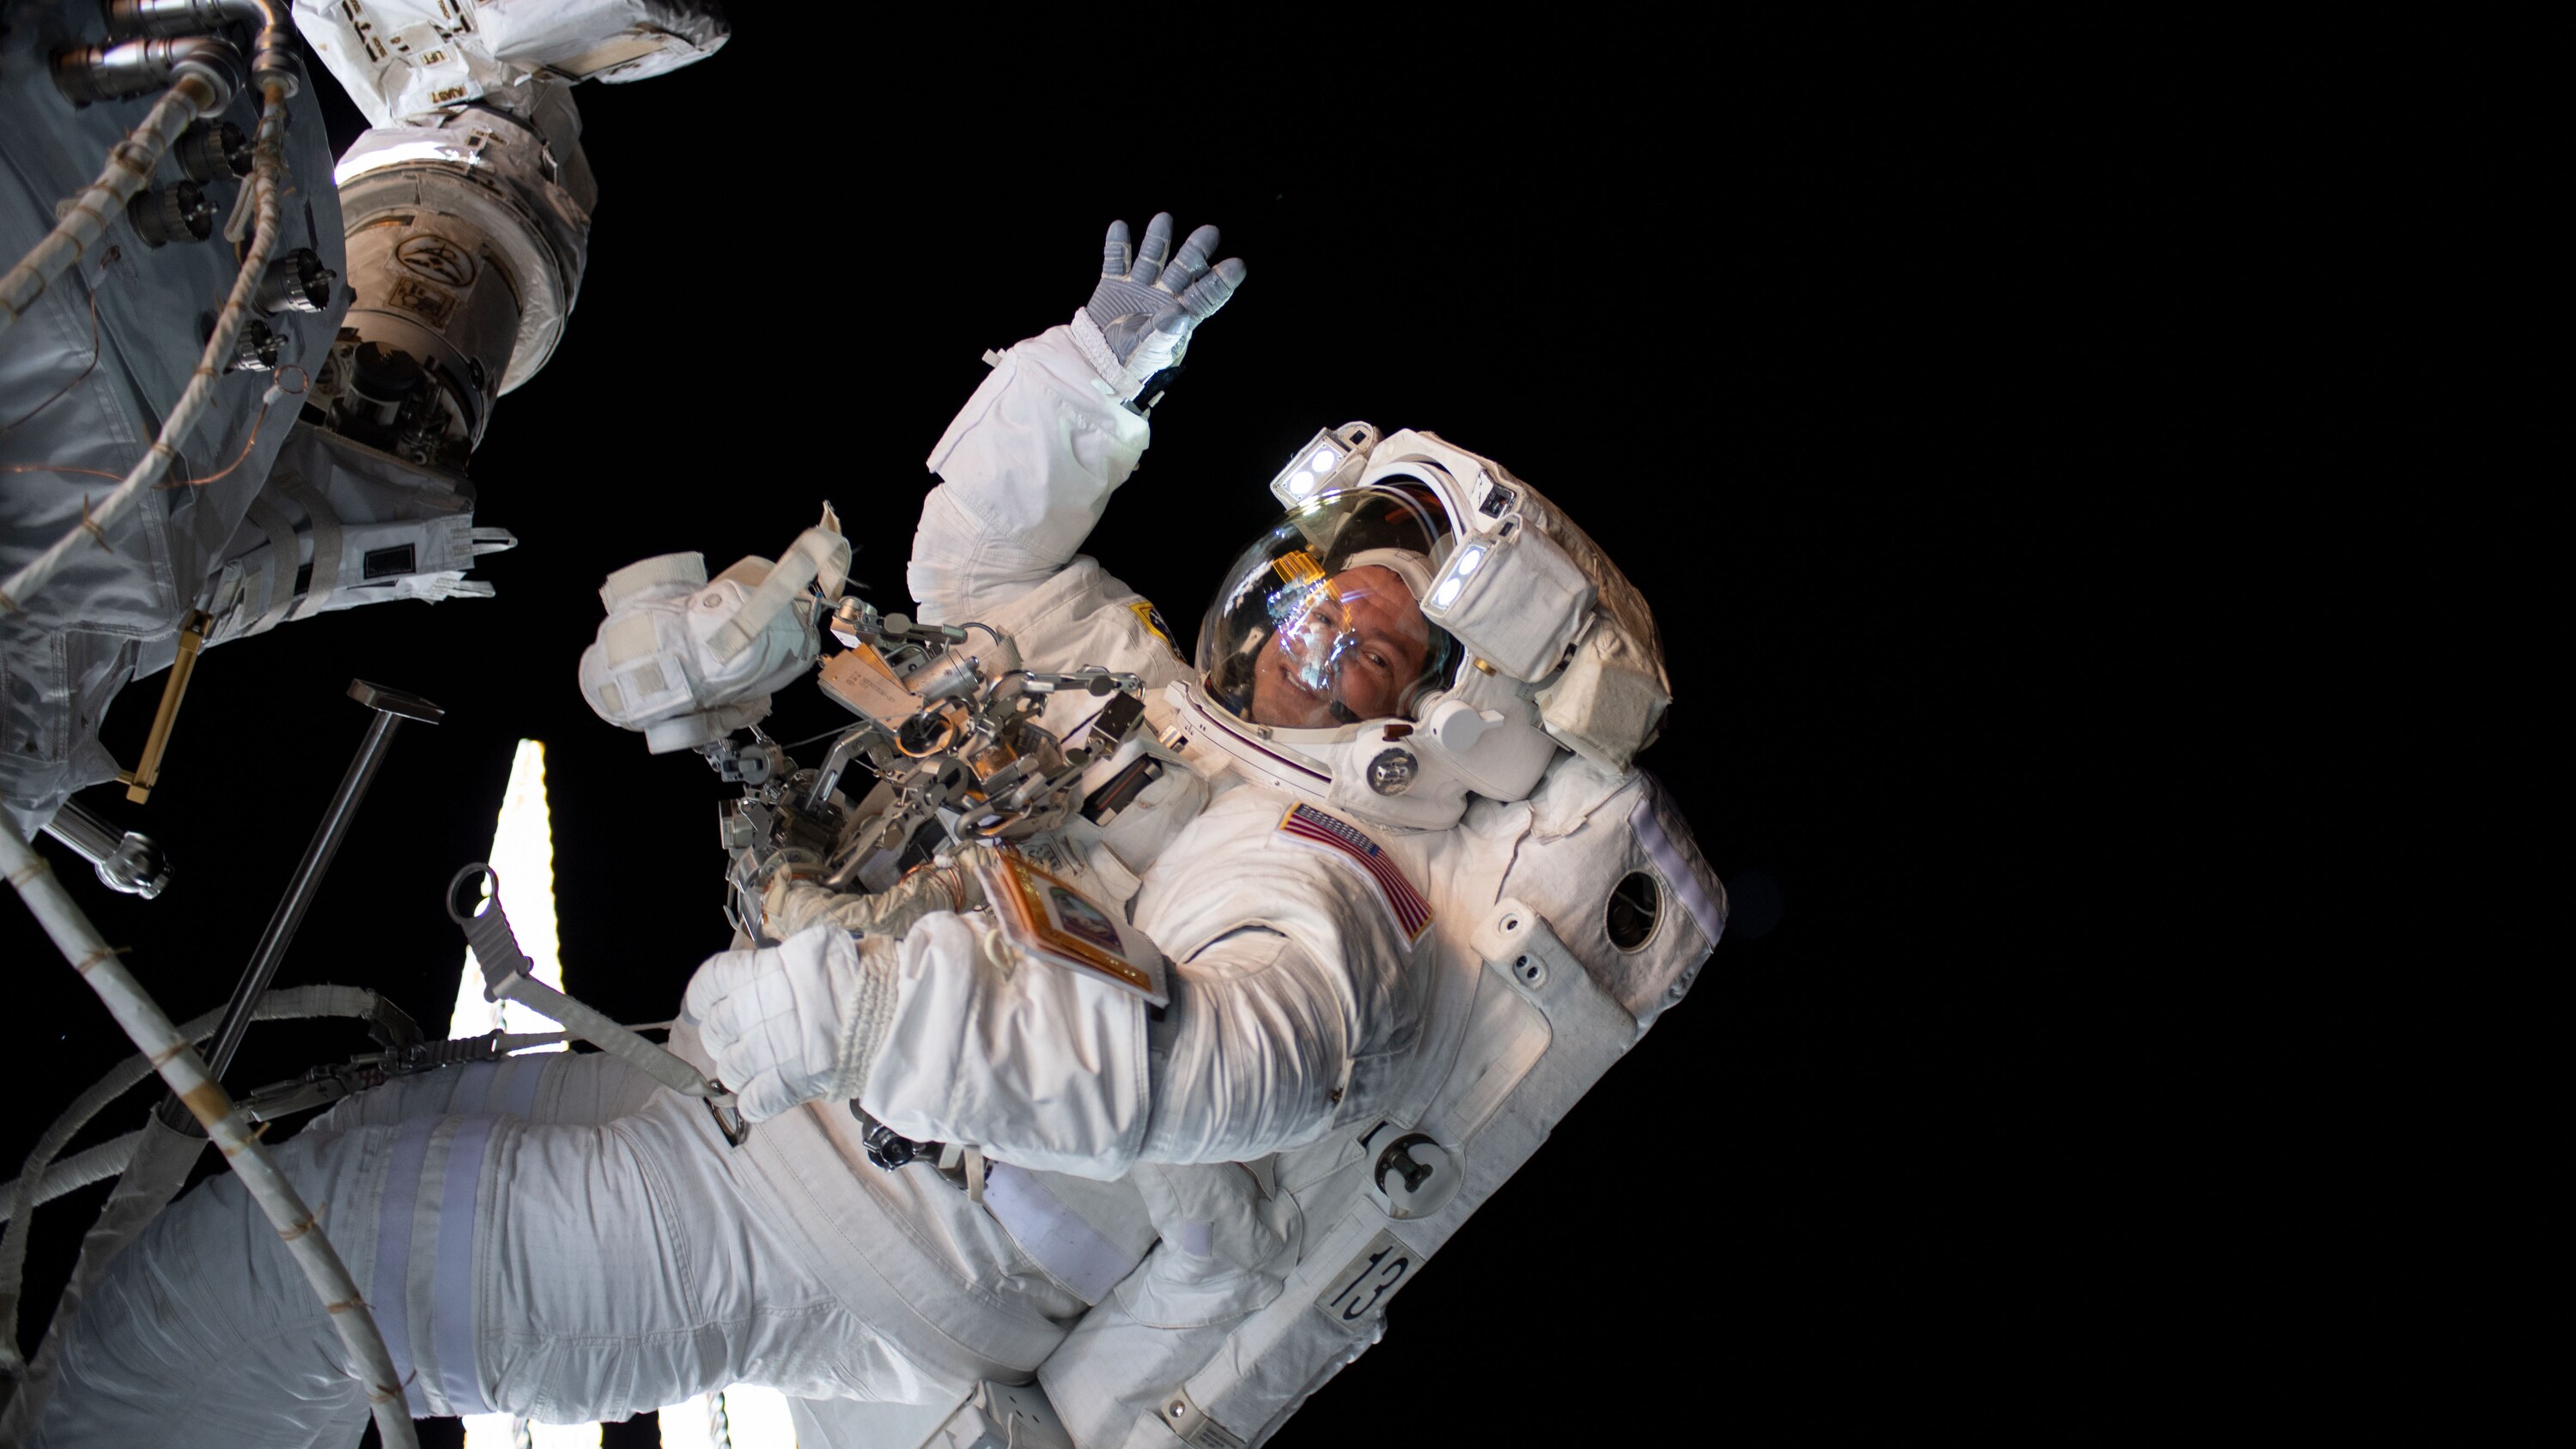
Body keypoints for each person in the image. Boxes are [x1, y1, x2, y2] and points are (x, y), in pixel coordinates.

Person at [21, 211, 1718, 1449]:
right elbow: (975, 574)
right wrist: (1089, 371)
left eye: (1377, 639)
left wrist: (857, 1011)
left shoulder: (1328, 880)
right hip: (768, 1109)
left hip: (854, 1238)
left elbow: (1209, 1071)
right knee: (317, 1181)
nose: (1312, 633)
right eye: (1320, 589)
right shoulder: (1150, 710)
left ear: (1447, 721)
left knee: (297, 1279)